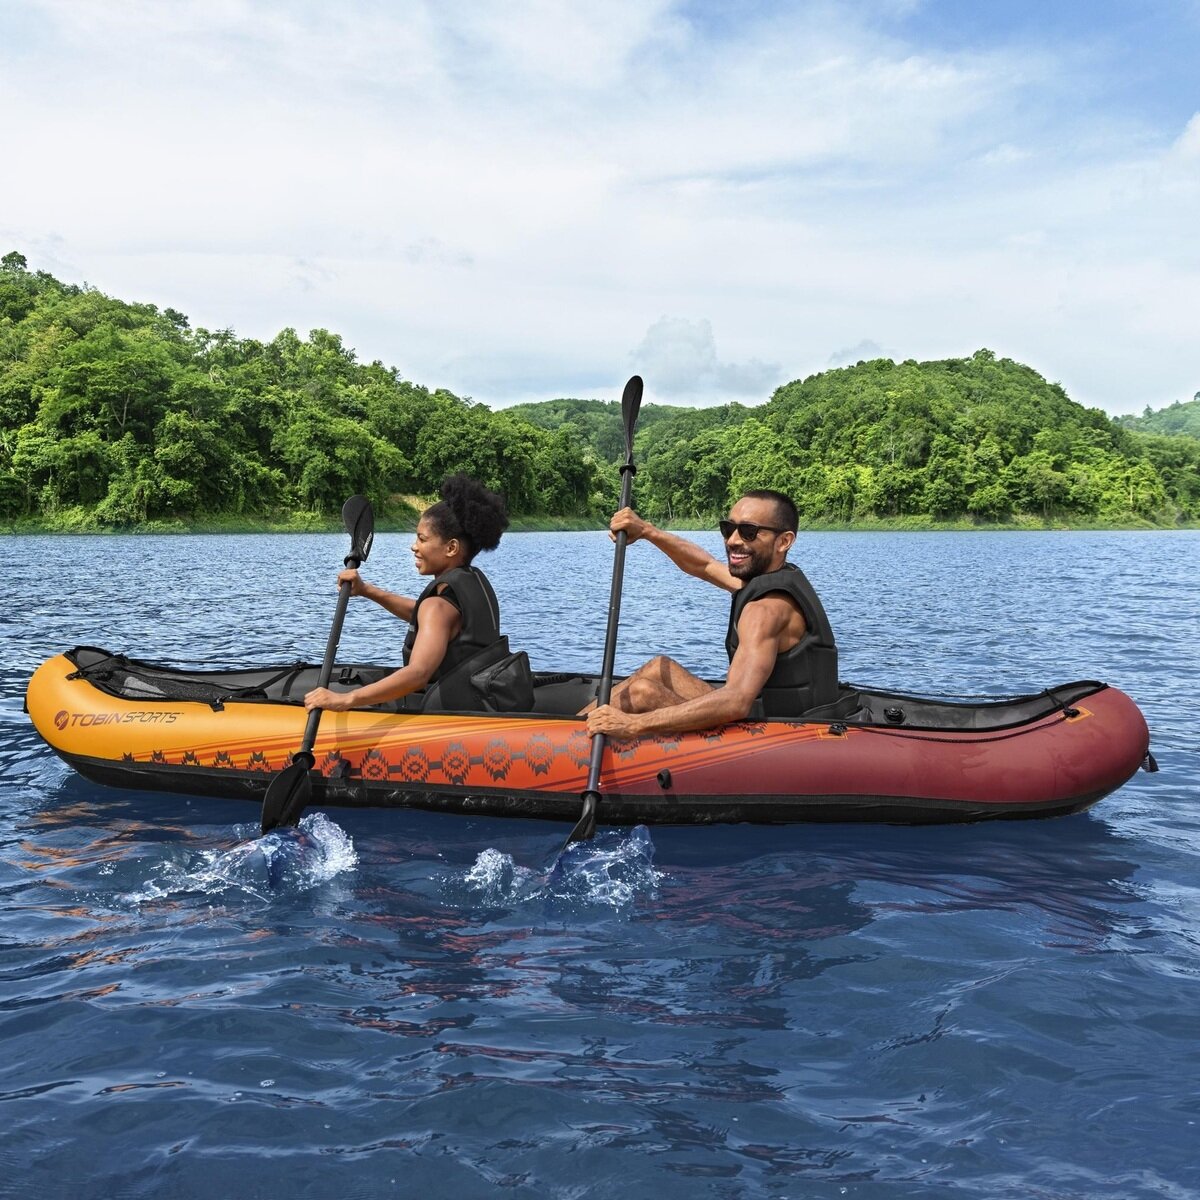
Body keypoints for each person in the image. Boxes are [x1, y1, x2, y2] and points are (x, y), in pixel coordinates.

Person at [585, 489, 838, 738]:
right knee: (658, 668)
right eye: (729, 529)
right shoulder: (765, 577)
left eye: (748, 532)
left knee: (643, 693)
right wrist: (648, 531)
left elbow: (735, 702)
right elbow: (703, 566)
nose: (733, 540)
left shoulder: (766, 610)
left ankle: (569, 740)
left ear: (784, 541)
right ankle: (566, 728)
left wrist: (632, 724)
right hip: (762, 714)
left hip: (780, 737)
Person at [304, 474, 510, 713]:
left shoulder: (438, 607)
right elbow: (424, 616)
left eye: (422, 539)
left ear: (451, 547)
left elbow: (418, 674)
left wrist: (345, 699)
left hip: (447, 712)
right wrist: (367, 590)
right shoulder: (471, 583)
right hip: (476, 698)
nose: (414, 546)